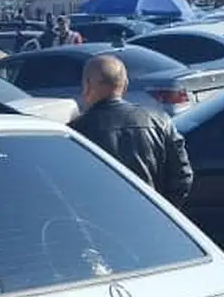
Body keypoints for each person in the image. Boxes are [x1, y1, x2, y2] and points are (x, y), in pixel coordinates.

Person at [69, 54, 193, 206]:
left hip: (100, 220)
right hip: (150, 219)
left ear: (87, 85)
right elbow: (183, 176)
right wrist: (163, 210)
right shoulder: (160, 121)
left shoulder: (76, 133)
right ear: (125, 84)